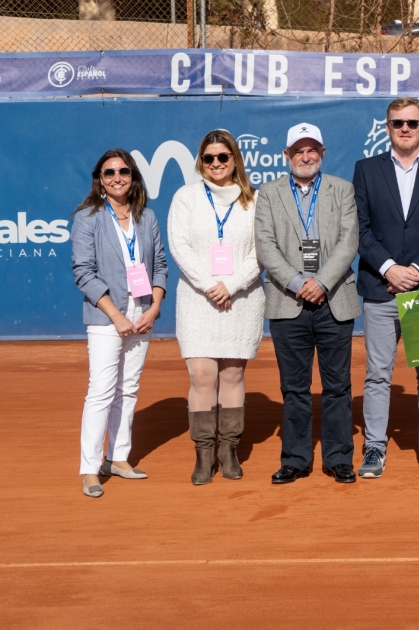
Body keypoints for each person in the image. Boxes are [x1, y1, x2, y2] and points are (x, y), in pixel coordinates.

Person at [353, 96, 419, 477]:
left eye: (412, 123)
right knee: (378, 373)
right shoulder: (365, 170)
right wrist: (388, 269)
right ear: (387, 128)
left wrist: (414, 269)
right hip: (380, 288)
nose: (404, 128)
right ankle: (374, 448)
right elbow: (360, 229)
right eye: (397, 122)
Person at [256, 123, 361, 484]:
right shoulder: (268, 194)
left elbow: (349, 242)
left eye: (312, 149)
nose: (305, 156)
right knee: (294, 388)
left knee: (338, 386)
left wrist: (322, 282)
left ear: (322, 153)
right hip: (288, 302)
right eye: (298, 150)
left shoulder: (342, 190)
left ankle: (338, 458)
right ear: (287, 155)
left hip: (335, 300)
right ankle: (296, 459)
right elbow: (266, 245)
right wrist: (301, 283)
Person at [167, 129, 264, 485]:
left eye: (223, 157)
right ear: (200, 162)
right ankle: (203, 452)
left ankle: (229, 450)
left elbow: (261, 251)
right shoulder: (186, 198)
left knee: (233, 375)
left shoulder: (253, 200)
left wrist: (232, 284)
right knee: (202, 376)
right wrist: (210, 285)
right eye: (209, 158)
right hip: (197, 298)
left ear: (234, 159)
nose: (216, 164)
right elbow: (179, 246)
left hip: (241, 299)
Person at [71, 149, 168, 498]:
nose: (117, 177)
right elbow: (83, 272)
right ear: (99, 178)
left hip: (142, 314)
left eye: (123, 171)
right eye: (109, 172)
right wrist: (116, 315)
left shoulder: (147, 218)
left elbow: (158, 264)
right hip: (106, 317)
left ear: (133, 176)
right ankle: (90, 468)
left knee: (128, 389)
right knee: (101, 391)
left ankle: (119, 458)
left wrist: (154, 307)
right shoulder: (88, 217)